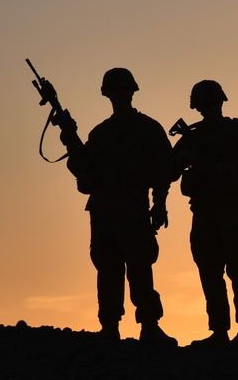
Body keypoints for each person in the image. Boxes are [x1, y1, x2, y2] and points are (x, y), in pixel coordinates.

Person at [58, 68, 177, 345]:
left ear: (132, 92)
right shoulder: (100, 133)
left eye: (123, 90)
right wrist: (69, 135)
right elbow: (84, 172)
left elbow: (163, 171)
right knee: (108, 269)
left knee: (139, 267)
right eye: (115, 91)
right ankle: (110, 327)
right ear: (108, 94)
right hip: (103, 211)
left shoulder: (148, 128)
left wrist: (160, 205)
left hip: (133, 206)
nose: (120, 96)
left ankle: (149, 325)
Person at [173, 80, 238, 347]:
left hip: (232, 211)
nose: (208, 109)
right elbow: (169, 170)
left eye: (211, 103)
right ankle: (219, 331)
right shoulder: (192, 137)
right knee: (210, 274)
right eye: (204, 105)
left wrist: (236, 172)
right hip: (204, 213)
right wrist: (185, 158)